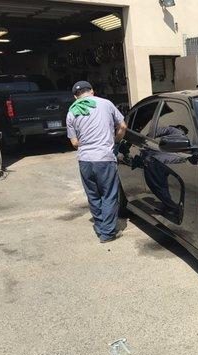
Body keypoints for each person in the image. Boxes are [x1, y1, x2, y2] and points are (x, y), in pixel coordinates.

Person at [66, 81, 127, 243]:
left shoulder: (71, 112)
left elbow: (74, 143)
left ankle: (100, 228)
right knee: (109, 195)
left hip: (85, 160)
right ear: (92, 91)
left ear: (75, 96)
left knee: (93, 196)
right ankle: (107, 233)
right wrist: (114, 141)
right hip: (104, 158)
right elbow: (122, 126)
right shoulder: (106, 104)